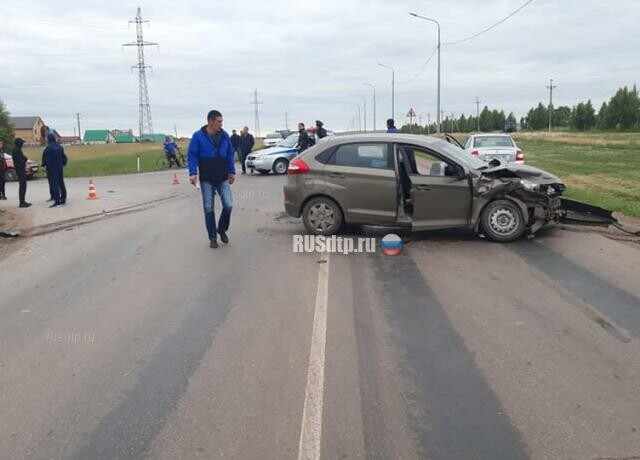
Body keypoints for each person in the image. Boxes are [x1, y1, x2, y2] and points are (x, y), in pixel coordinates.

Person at [187, 110, 236, 249]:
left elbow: (229, 155)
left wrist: (231, 171)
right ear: (210, 121)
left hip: (222, 176)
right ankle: (213, 237)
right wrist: (193, 173)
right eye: (219, 121)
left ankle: (221, 229)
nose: (221, 124)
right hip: (207, 178)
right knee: (208, 207)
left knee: (228, 205)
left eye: (222, 121)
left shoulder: (225, 136)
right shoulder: (198, 137)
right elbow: (192, 156)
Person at [42, 133, 67, 207]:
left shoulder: (48, 148)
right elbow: (64, 157)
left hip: (52, 168)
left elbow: (47, 159)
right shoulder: (59, 147)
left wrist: (45, 166)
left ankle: (57, 200)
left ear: (49, 139)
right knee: (61, 183)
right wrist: (63, 164)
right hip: (59, 167)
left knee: (54, 184)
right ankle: (63, 198)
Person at [11, 138, 31, 208]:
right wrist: (24, 161)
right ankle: (22, 202)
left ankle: (23, 201)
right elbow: (21, 160)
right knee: (22, 186)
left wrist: (24, 159)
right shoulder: (16, 150)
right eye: (21, 143)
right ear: (19, 143)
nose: (22, 144)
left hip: (20, 169)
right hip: (20, 169)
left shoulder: (17, 150)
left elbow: (23, 158)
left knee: (23, 186)